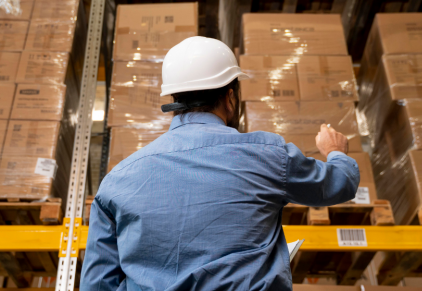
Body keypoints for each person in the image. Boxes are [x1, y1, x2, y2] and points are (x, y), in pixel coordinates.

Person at [81, 36, 359, 291]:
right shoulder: (267, 154)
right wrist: (335, 151)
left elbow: (97, 284)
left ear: (174, 99)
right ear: (230, 98)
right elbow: (339, 184)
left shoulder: (116, 182)